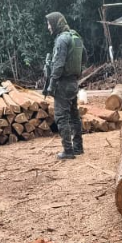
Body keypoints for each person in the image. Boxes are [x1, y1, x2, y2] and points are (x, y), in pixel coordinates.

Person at [45, 12, 84, 160]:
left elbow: (59, 65)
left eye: (50, 24)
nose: (49, 27)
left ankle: (68, 150)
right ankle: (78, 147)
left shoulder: (62, 39)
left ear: (56, 23)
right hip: (73, 82)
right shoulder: (75, 36)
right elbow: (84, 57)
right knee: (74, 116)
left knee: (61, 117)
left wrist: (51, 84)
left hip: (63, 84)